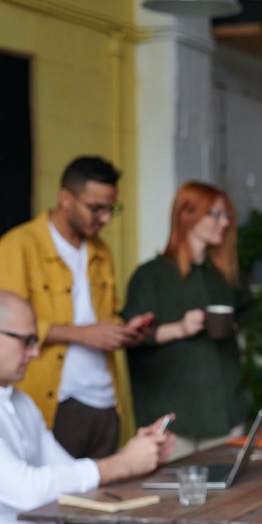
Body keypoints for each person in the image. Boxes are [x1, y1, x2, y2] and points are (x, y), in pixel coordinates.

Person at [0, 290, 207, 524]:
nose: (36, 352)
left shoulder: (21, 402)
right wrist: (123, 463)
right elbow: (28, 490)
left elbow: (69, 471)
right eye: (27, 341)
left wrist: (136, 454)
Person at [120, 181, 251, 524]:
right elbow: (130, 338)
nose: (224, 223)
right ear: (186, 215)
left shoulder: (221, 275)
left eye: (227, 215)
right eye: (215, 213)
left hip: (223, 412)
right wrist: (177, 328)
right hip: (173, 414)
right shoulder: (151, 275)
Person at [0, 156, 153, 459]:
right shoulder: (18, 246)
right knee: (57, 500)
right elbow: (8, 327)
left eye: (112, 209)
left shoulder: (101, 251)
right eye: (97, 208)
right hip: (55, 401)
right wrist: (84, 335)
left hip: (106, 400)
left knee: (107, 497)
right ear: (66, 198)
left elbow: (104, 316)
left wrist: (124, 332)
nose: (106, 218)